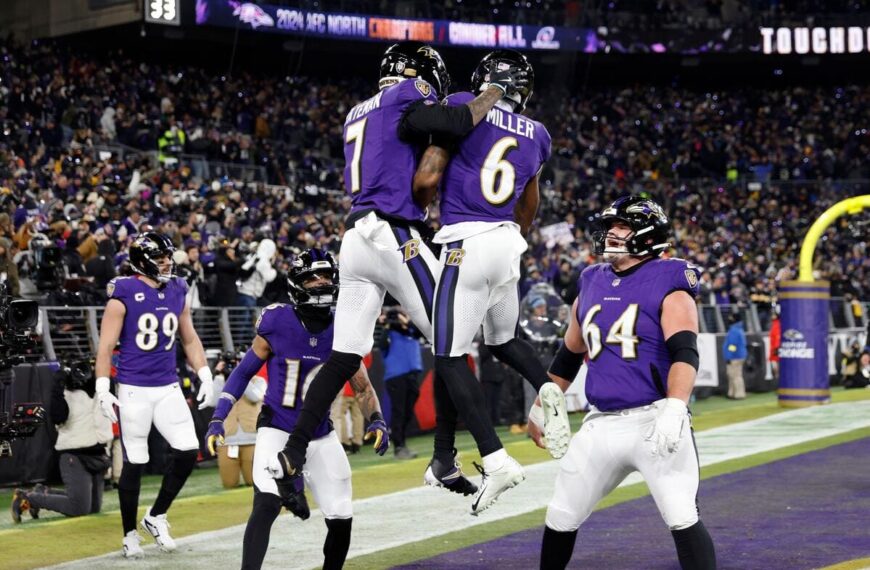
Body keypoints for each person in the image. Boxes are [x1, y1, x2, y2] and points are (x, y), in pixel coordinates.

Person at [271, 41, 528, 508]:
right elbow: (453, 121)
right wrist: (491, 94)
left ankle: (291, 453)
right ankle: (467, 459)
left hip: (354, 239)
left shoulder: (358, 110)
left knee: (345, 356)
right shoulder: (408, 92)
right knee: (453, 342)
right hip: (394, 234)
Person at [412, 49, 571, 514]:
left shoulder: (466, 102)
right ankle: (548, 389)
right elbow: (530, 203)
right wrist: (511, 234)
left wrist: (420, 208)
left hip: (466, 240)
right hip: (507, 242)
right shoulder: (538, 134)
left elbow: (428, 175)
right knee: (502, 342)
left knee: (448, 355)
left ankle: (496, 458)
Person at [535, 196, 716, 570]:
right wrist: (543, 405)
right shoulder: (590, 280)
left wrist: (676, 407)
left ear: (647, 236)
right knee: (561, 514)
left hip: (654, 419)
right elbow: (569, 355)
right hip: (600, 422)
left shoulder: (671, 279)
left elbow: (685, 353)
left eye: (622, 228)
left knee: (681, 514)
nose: (612, 234)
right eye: (611, 227)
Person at [204, 249, 386, 570]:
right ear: (296, 285)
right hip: (277, 428)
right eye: (313, 277)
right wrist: (219, 415)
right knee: (266, 504)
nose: (321, 283)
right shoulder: (277, 320)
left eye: (327, 276)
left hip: (319, 433)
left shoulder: (344, 324)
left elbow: (361, 382)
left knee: (342, 516)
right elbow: (245, 371)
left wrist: (376, 418)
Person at [94, 231, 215, 558]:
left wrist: (204, 373)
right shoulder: (124, 291)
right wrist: (103, 387)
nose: (166, 264)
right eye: (160, 259)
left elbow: (188, 338)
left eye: (167, 258)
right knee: (135, 460)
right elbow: (105, 346)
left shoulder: (177, 288)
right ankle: (129, 533)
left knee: (189, 450)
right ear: (142, 262)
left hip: (167, 385)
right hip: (133, 388)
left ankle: (156, 515)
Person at [11, 359, 112, 522]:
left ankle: (43, 491)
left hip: (99, 454)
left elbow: (109, 381)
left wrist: (97, 372)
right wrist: (58, 385)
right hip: (75, 455)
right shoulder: (64, 393)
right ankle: (28, 497)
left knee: (93, 509)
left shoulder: (101, 392)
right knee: (79, 508)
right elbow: (58, 418)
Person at [379, 308, 424, 459]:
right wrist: (386, 324)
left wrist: (408, 321)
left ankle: (402, 444)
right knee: (399, 412)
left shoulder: (412, 333)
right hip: (396, 377)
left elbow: (421, 332)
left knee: (408, 413)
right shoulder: (390, 334)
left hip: (412, 376)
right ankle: (398, 447)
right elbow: (381, 344)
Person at [723, 311, 747, 399]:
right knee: (734, 375)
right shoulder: (739, 329)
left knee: (735, 375)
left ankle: (739, 394)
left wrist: (729, 356)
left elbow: (732, 345)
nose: (729, 319)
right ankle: (732, 393)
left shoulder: (734, 330)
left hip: (735, 356)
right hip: (740, 355)